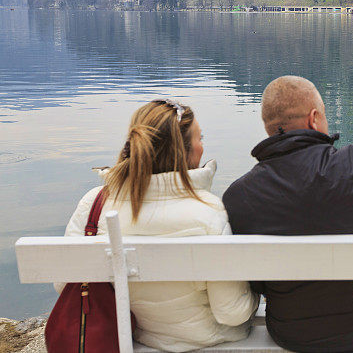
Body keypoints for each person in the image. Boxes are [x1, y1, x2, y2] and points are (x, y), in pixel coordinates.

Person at [223, 76, 353, 353]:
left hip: (289, 333)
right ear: (314, 119)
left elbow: (256, 282)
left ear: (268, 128)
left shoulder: (239, 196)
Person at [60, 99, 259, 352]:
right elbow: (231, 312)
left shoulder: (95, 203)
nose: (203, 146)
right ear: (184, 152)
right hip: (207, 341)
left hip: (132, 336)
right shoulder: (209, 212)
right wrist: (254, 298)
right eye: (200, 138)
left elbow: (64, 285)